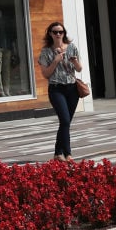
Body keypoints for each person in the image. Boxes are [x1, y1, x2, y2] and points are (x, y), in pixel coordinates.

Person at [38, 22, 83, 162]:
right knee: (64, 120)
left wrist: (75, 62)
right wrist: (56, 61)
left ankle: (58, 153)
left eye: (61, 32)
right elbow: (46, 74)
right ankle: (68, 154)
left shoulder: (72, 47)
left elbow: (79, 69)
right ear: (50, 34)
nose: (58, 34)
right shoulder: (46, 52)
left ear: (64, 33)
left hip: (72, 89)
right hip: (56, 89)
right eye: (55, 32)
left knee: (66, 123)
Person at [0, 9, 16, 96]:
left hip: (7, 47)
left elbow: (12, 36)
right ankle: (0, 90)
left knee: (6, 70)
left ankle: (6, 90)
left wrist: (14, 48)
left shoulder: (6, 22)